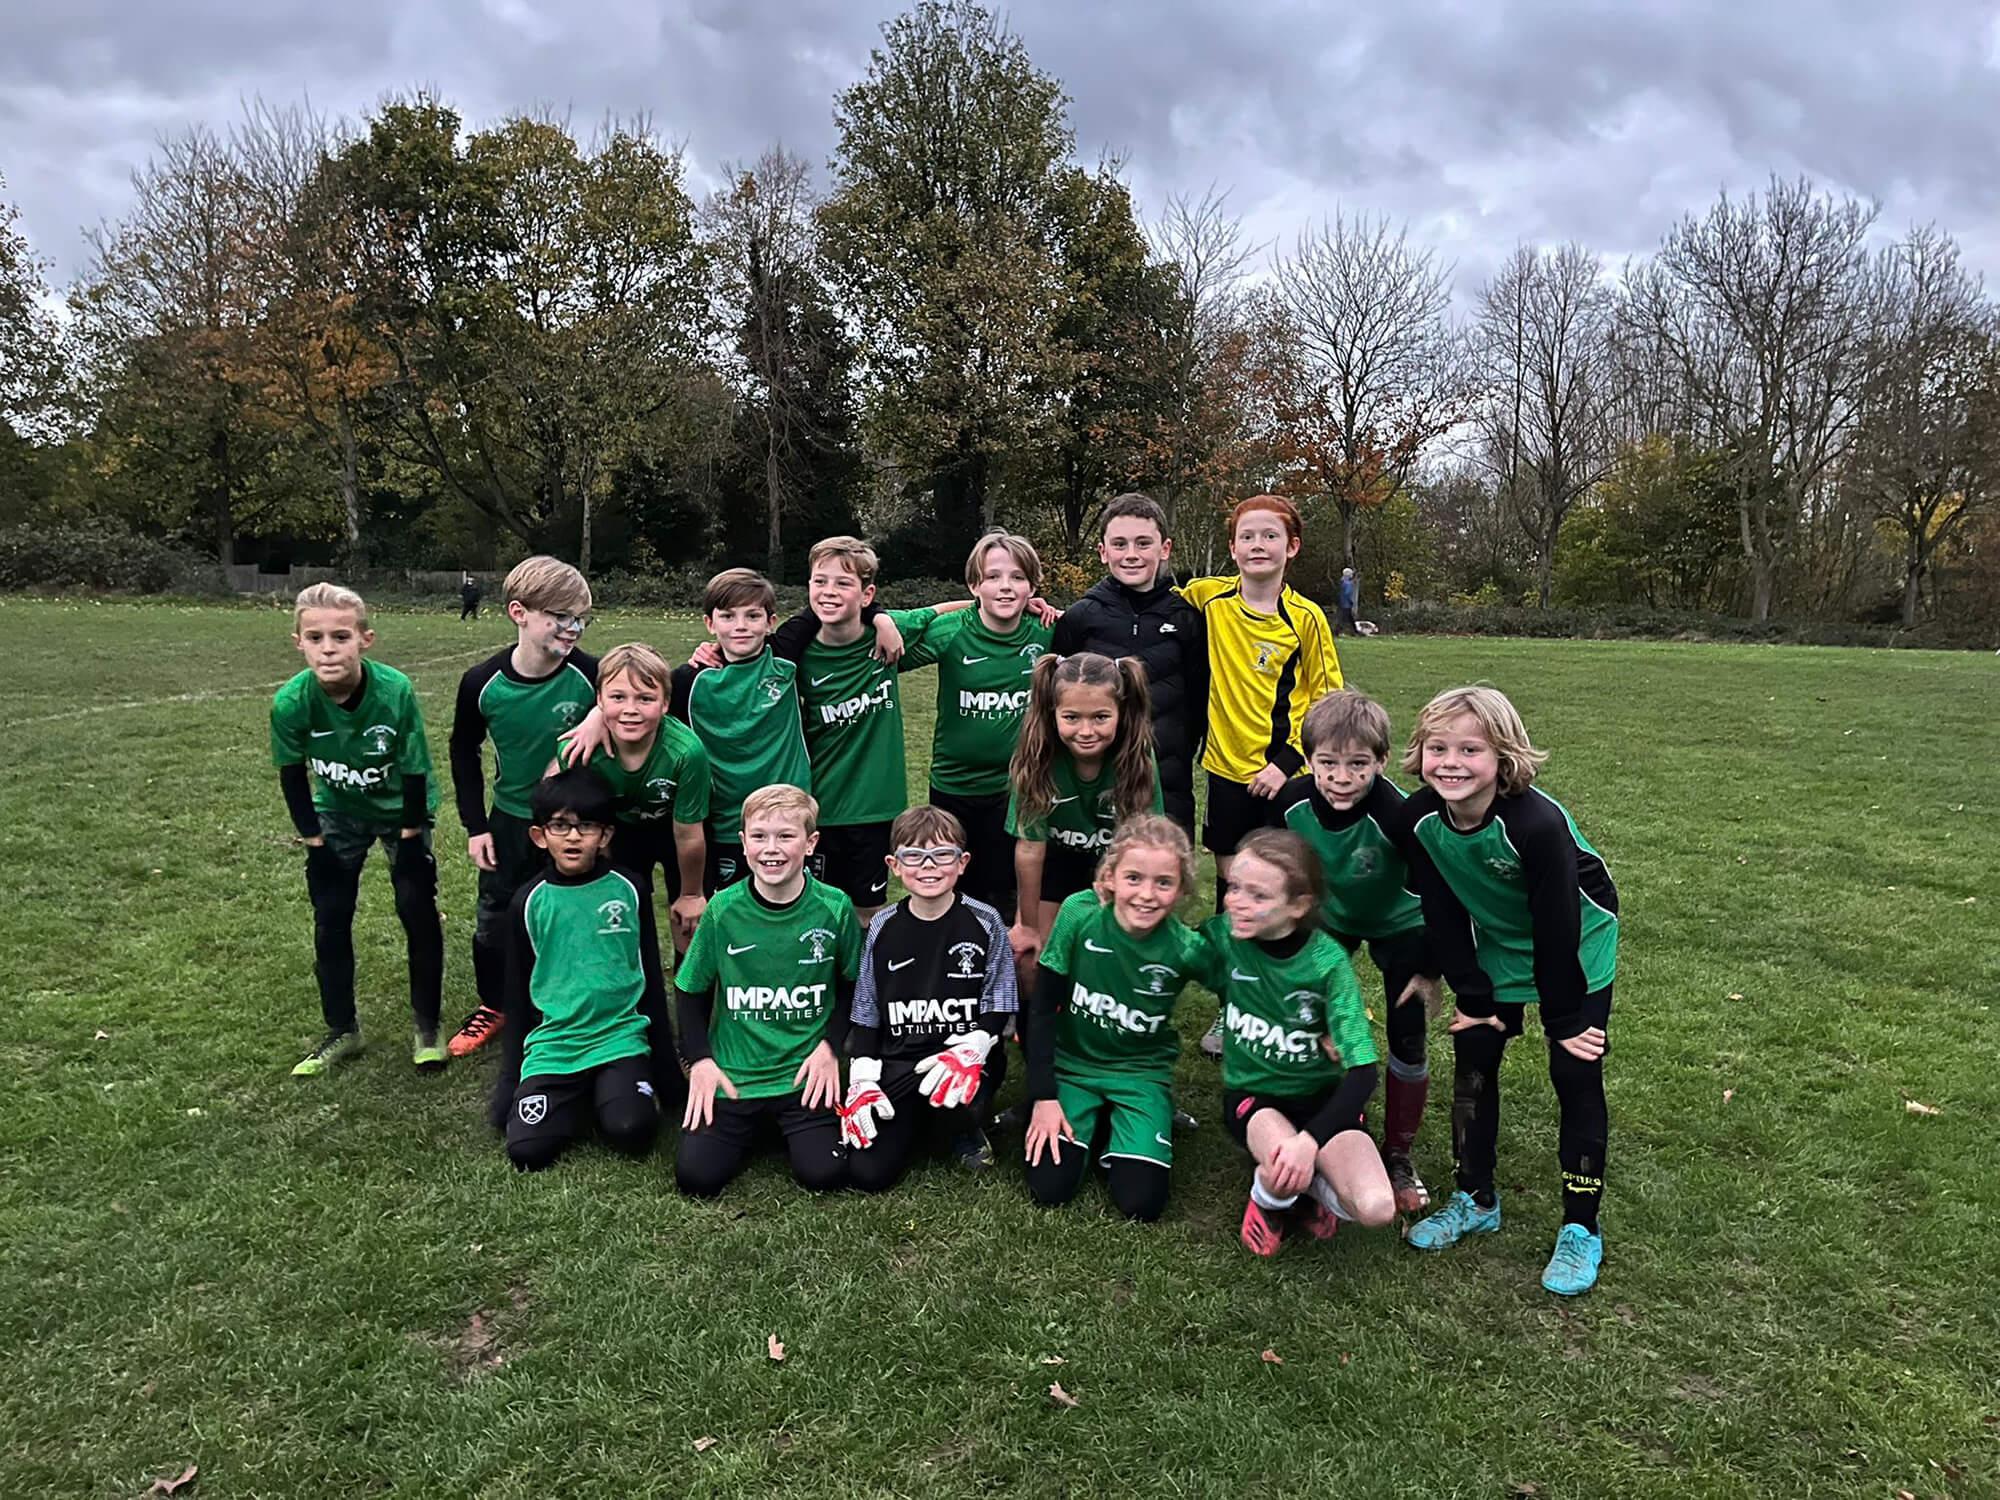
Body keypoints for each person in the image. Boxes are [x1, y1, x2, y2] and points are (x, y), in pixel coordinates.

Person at [1392, 686, 1619, 1297]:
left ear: (1503, 755)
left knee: (1574, 1070)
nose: (1451, 763)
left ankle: (1581, 1226)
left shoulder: (1536, 824)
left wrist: (1565, 1018)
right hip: (1496, 936)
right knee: (1474, 1058)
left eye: (1470, 749)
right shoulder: (1418, 819)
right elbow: (1441, 908)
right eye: (1438, 748)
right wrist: (1474, 999)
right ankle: (1475, 1197)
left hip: (1577, 940)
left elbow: (1557, 923)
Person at [1180, 494, 1342, 1056]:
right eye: (1247, 536)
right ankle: (1235, 1007)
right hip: (1226, 775)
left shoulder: (1307, 619)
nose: (1258, 545)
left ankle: (1293, 1002)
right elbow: (1141, 603)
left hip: (1284, 779)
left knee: (1286, 893)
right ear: (1232, 547)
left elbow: (1327, 702)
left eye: (1270, 536)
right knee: (1235, 895)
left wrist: (1286, 764)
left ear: (1291, 547)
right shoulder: (1208, 597)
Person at [1274, 690, 1441, 1211]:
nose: (1342, 778)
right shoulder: (1291, 803)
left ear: (1382, 761)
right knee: (1305, 1013)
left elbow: (1440, 889)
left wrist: (1431, 967)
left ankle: (1398, 1154)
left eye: (1358, 765)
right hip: (1334, 920)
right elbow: (1278, 868)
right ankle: (1317, 1118)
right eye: (1328, 763)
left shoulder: (1399, 814)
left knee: (1407, 1034)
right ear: (1309, 760)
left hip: (1401, 925)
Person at [270, 582, 444, 1076]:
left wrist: (410, 840)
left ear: (365, 640)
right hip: (337, 811)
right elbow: (292, 776)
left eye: (341, 637)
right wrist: (314, 843)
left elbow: (414, 768)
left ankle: (427, 1026)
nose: (328, 649)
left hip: (401, 809)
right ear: (299, 642)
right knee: (330, 914)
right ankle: (342, 1029)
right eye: (316, 638)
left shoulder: (394, 691)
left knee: (416, 908)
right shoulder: (290, 702)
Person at [1206, 829, 1396, 1256]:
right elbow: (1161, 951)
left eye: (1258, 895)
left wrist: (1308, 1142)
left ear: (1298, 905)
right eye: (1234, 887)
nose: (1237, 902)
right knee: (1282, 1166)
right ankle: (1268, 1199)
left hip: (1320, 1101)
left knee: (1376, 1207)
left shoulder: (1327, 962)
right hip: (1255, 1097)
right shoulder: (1221, 937)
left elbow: (1363, 1073)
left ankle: (1307, 1186)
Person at [1021, 815, 1213, 1222]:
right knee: (1050, 1188)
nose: (1147, 895)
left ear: (1181, 889)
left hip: (1140, 1073)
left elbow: (1242, 987)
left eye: (1164, 883)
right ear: (1109, 877)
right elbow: (1042, 1009)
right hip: (1073, 1067)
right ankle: (1094, 1119)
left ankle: (1129, 1122)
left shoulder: (1186, 947)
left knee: (1141, 1203)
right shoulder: (1078, 914)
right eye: (1133, 878)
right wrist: (1043, 1096)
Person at [674, 786, 862, 1197]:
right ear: (743, 843)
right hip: (735, 1073)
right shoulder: (722, 909)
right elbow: (689, 990)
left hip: (803, 1074)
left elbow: (853, 984)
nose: (771, 849)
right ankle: (755, 1125)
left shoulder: (835, 907)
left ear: (810, 843)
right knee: (696, 1178)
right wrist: (701, 1061)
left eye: (785, 836)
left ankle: (788, 1127)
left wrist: (831, 1047)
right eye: (759, 836)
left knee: (824, 1174)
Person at [445, 556, 598, 1059]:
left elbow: (644, 690)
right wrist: (475, 826)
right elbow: (462, 752)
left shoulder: (591, 675)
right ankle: (495, 1005)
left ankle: (569, 1005)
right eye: (560, 616)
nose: (572, 628)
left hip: (574, 823)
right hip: (509, 820)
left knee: (573, 914)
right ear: (519, 612)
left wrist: (599, 715)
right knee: (495, 916)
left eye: (580, 618)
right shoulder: (481, 682)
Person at [487, 767, 675, 1170]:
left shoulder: (629, 889)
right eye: (560, 826)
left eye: (586, 826)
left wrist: (668, 1076)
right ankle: (585, 1095)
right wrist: (509, 1083)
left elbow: (650, 981)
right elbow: (517, 996)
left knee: (632, 1129)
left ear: (605, 836)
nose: (573, 837)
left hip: (619, 1038)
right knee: (527, 1151)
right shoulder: (527, 902)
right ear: (540, 836)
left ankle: (611, 1091)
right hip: (556, 1044)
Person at [841, 806, 1019, 1187]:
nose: (928, 866)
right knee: (868, 1173)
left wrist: (977, 1044)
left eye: (942, 855)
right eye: (914, 856)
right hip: (901, 1060)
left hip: (963, 1058)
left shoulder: (985, 921)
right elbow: (867, 1011)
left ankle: (964, 1128)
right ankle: (917, 1121)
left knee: (959, 1100)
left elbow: (1000, 1002)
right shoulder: (881, 926)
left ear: (962, 862)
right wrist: (862, 1077)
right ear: (894, 865)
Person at [767, 537, 936, 925]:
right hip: (820, 807)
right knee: (817, 914)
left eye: (843, 583)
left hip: (877, 809)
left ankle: (864, 969)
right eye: (819, 581)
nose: (829, 591)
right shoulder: (796, 653)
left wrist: (1022, 605)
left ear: (867, 593)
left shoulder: (889, 633)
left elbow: (949, 612)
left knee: (868, 914)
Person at [907, 531, 1054, 918]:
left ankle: (1005, 956)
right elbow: (887, 642)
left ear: (1032, 587)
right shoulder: (952, 630)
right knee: (952, 892)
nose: (1005, 586)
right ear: (974, 585)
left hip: (1017, 788)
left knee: (1005, 896)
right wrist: (894, 621)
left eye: (1018, 578)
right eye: (992, 577)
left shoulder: (1048, 631)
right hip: (954, 787)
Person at [1050, 494, 1206, 839]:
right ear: (1103, 551)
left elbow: (1199, 699)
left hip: (1167, 780)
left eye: (1143, 543)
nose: (1131, 554)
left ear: (1165, 549)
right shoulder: (1080, 617)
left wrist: (1179, 748)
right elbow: (1057, 697)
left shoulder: (1188, 618)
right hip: (1095, 784)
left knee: (1162, 869)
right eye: (1119, 544)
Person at [1003, 652, 1161, 976]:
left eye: (1101, 717)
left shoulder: (1137, 756)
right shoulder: (1036, 756)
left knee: (1108, 959)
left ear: (1121, 711)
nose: (1086, 731)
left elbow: (1145, 845)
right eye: (1072, 717)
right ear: (1053, 713)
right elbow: (1030, 849)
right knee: (1033, 964)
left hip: (1114, 863)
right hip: (1056, 862)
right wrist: (1027, 926)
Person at [574, 642, 709, 957]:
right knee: (620, 914)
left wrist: (691, 894)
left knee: (689, 923)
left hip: (673, 828)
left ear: (665, 704)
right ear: (599, 700)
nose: (630, 709)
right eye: (617, 697)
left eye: (645, 698)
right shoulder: (582, 751)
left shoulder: (686, 752)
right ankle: (635, 974)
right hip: (618, 832)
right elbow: (585, 825)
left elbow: (689, 835)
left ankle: (689, 978)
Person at [1335, 568, 1359, 635]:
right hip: (1346, 604)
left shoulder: (1342, 582)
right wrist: (1351, 601)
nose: (1352, 575)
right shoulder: (1348, 584)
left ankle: (1355, 631)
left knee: (1347, 618)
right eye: (1351, 574)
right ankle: (1337, 631)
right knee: (1344, 619)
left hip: (1341, 603)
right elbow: (1347, 593)